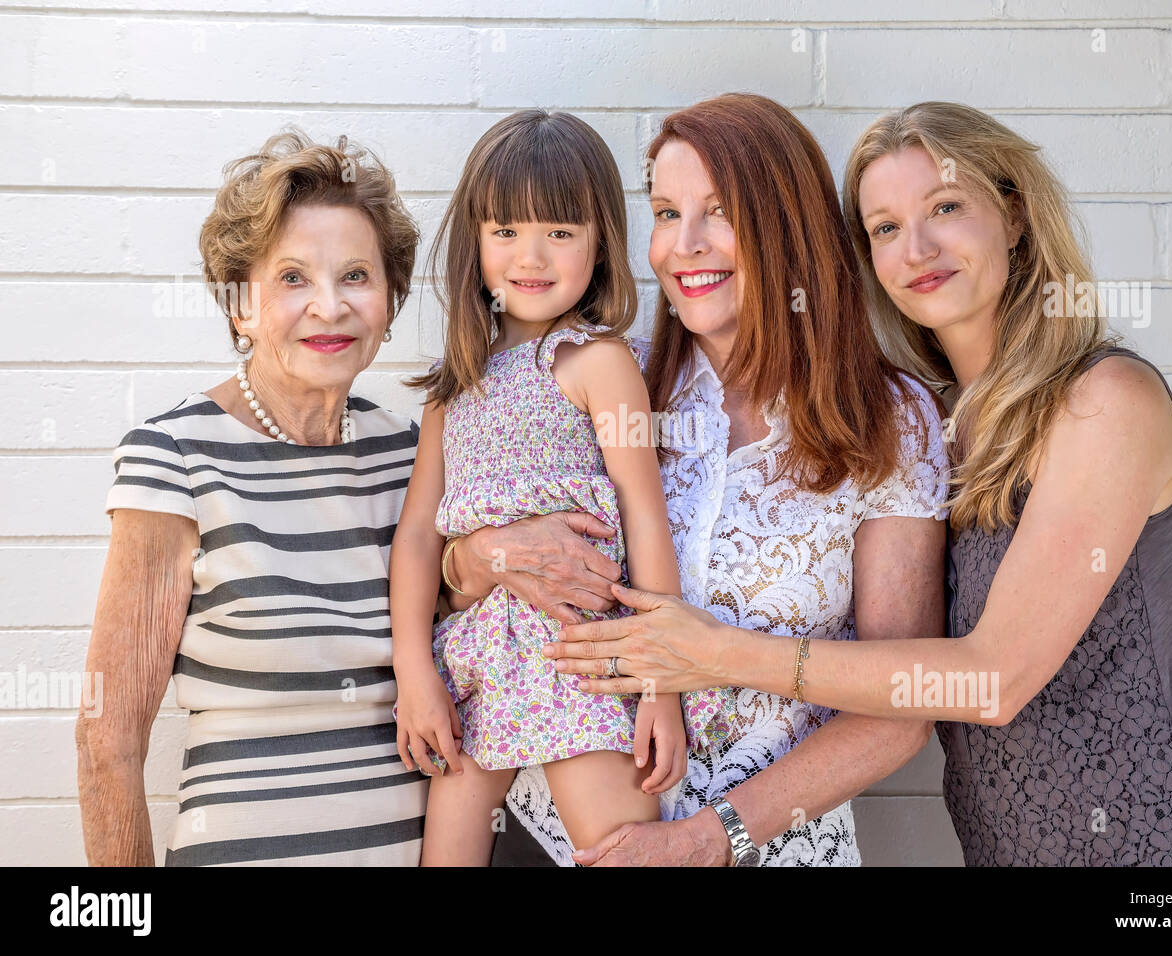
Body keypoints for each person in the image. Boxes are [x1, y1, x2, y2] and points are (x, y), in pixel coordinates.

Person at [548, 101, 1172, 866]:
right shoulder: (946, 416)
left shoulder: (1098, 402)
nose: (916, 247)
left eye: (946, 208)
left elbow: (988, 680)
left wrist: (716, 657)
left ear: (1016, 217)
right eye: (886, 228)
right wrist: (481, 553)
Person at [443, 93, 951, 866]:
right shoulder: (608, 376)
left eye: (718, 213)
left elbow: (903, 710)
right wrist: (482, 557)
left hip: (769, 847)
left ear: (789, 226)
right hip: (558, 835)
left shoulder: (891, 418)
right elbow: (460, 570)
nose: (684, 246)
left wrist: (708, 836)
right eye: (665, 213)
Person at [388, 109, 736, 866]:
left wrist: (661, 688)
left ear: (600, 242)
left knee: (619, 853)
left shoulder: (596, 363)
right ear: (474, 243)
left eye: (561, 231)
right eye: (506, 230)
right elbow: (418, 535)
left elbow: (646, 519)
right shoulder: (455, 388)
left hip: (580, 658)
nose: (531, 255)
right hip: (475, 660)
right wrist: (413, 671)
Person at [77, 129, 430, 865]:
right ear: (241, 305)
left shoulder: (416, 452)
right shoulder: (175, 455)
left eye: (356, 276)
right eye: (293, 278)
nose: (328, 307)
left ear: (390, 300)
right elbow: (107, 739)